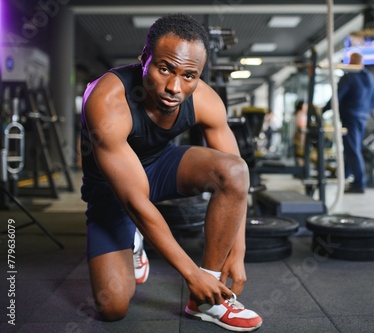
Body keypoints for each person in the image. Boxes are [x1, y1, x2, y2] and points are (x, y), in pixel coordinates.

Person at [80, 14, 262, 332]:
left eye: (189, 76)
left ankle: (206, 302)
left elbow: (238, 181)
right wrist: (191, 275)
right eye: (164, 68)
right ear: (143, 59)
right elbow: (136, 201)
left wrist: (239, 250)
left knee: (233, 170)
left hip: (162, 167)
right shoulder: (108, 100)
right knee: (113, 308)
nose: (174, 87)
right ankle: (135, 244)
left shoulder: (205, 99)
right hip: (114, 191)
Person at [323, 52, 374, 193]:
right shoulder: (370, 77)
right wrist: (366, 112)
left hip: (350, 116)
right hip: (363, 116)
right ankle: (343, 175)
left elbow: (337, 97)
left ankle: (359, 184)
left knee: (352, 149)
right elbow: (373, 99)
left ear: (352, 62)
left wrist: (323, 110)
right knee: (353, 148)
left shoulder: (349, 77)